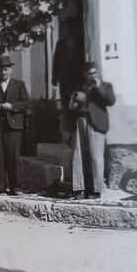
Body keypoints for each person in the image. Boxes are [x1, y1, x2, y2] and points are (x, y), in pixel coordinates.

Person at [0, 53, 31, 195]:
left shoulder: (19, 84)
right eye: (1, 69)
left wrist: (11, 106)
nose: (3, 72)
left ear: (10, 70)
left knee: (13, 156)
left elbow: (26, 103)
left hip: (14, 125)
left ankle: (15, 186)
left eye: (6, 69)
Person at [69, 60, 116, 197]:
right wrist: (77, 101)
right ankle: (80, 188)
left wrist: (98, 86)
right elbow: (71, 107)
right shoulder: (80, 87)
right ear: (85, 75)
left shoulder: (106, 86)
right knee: (79, 156)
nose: (93, 76)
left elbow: (111, 101)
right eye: (90, 74)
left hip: (96, 123)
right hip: (81, 121)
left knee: (96, 157)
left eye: (95, 73)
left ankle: (97, 189)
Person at [52, 16, 86, 197]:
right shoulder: (61, 44)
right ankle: (68, 128)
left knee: (75, 110)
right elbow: (56, 62)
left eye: (71, 27)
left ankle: (74, 126)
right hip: (66, 84)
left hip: (77, 83)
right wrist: (54, 79)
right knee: (67, 108)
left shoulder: (81, 43)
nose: (69, 31)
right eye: (67, 28)